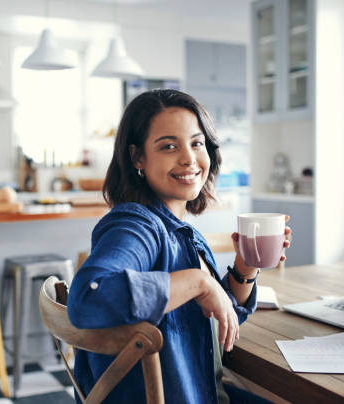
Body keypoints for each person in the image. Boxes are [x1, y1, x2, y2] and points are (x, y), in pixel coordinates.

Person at [67, 89, 291, 404]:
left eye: (196, 143)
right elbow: (87, 298)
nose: (188, 158)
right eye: (169, 146)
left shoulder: (184, 233)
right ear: (137, 158)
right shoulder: (135, 224)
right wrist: (199, 282)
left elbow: (211, 325)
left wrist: (245, 267)